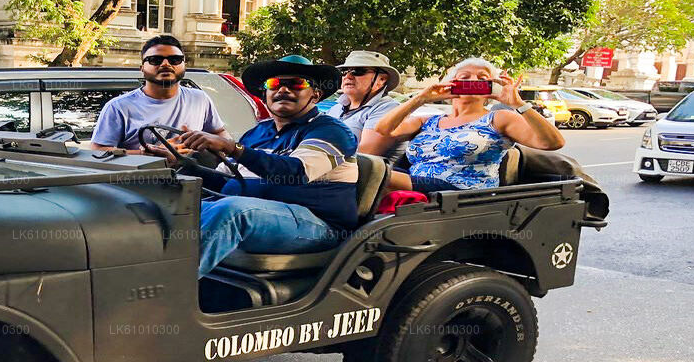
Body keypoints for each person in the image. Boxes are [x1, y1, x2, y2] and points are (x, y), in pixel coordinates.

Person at [178, 55, 360, 277]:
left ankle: (170, 289)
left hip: (318, 227)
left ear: (316, 94)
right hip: (259, 215)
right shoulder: (257, 133)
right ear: (265, 94)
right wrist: (181, 163)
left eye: (296, 84)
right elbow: (223, 180)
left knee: (234, 212)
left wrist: (234, 148)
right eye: (274, 84)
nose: (283, 89)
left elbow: (295, 172)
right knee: (174, 207)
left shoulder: (330, 131)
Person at [373, 57, 565, 193]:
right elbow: (383, 129)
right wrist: (421, 98)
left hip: (460, 193)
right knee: (366, 170)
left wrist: (519, 104)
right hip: (416, 186)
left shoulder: (498, 118)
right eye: (464, 78)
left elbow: (552, 143)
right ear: (450, 84)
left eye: (482, 79)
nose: (473, 81)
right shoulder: (428, 120)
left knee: (372, 172)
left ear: (491, 87)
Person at [88, 35, 227, 158]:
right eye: (155, 60)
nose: (166, 64)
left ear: (184, 65)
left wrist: (214, 145)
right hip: (142, 178)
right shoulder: (118, 107)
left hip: (196, 177)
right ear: (142, 68)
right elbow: (97, 151)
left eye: (175, 60)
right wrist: (145, 154)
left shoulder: (199, 99)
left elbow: (220, 133)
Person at [330, 50, 405, 162]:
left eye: (358, 71)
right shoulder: (336, 108)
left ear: (381, 80)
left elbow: (364, 154)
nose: (348, 76)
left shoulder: (388, 109)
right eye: (344, 72)